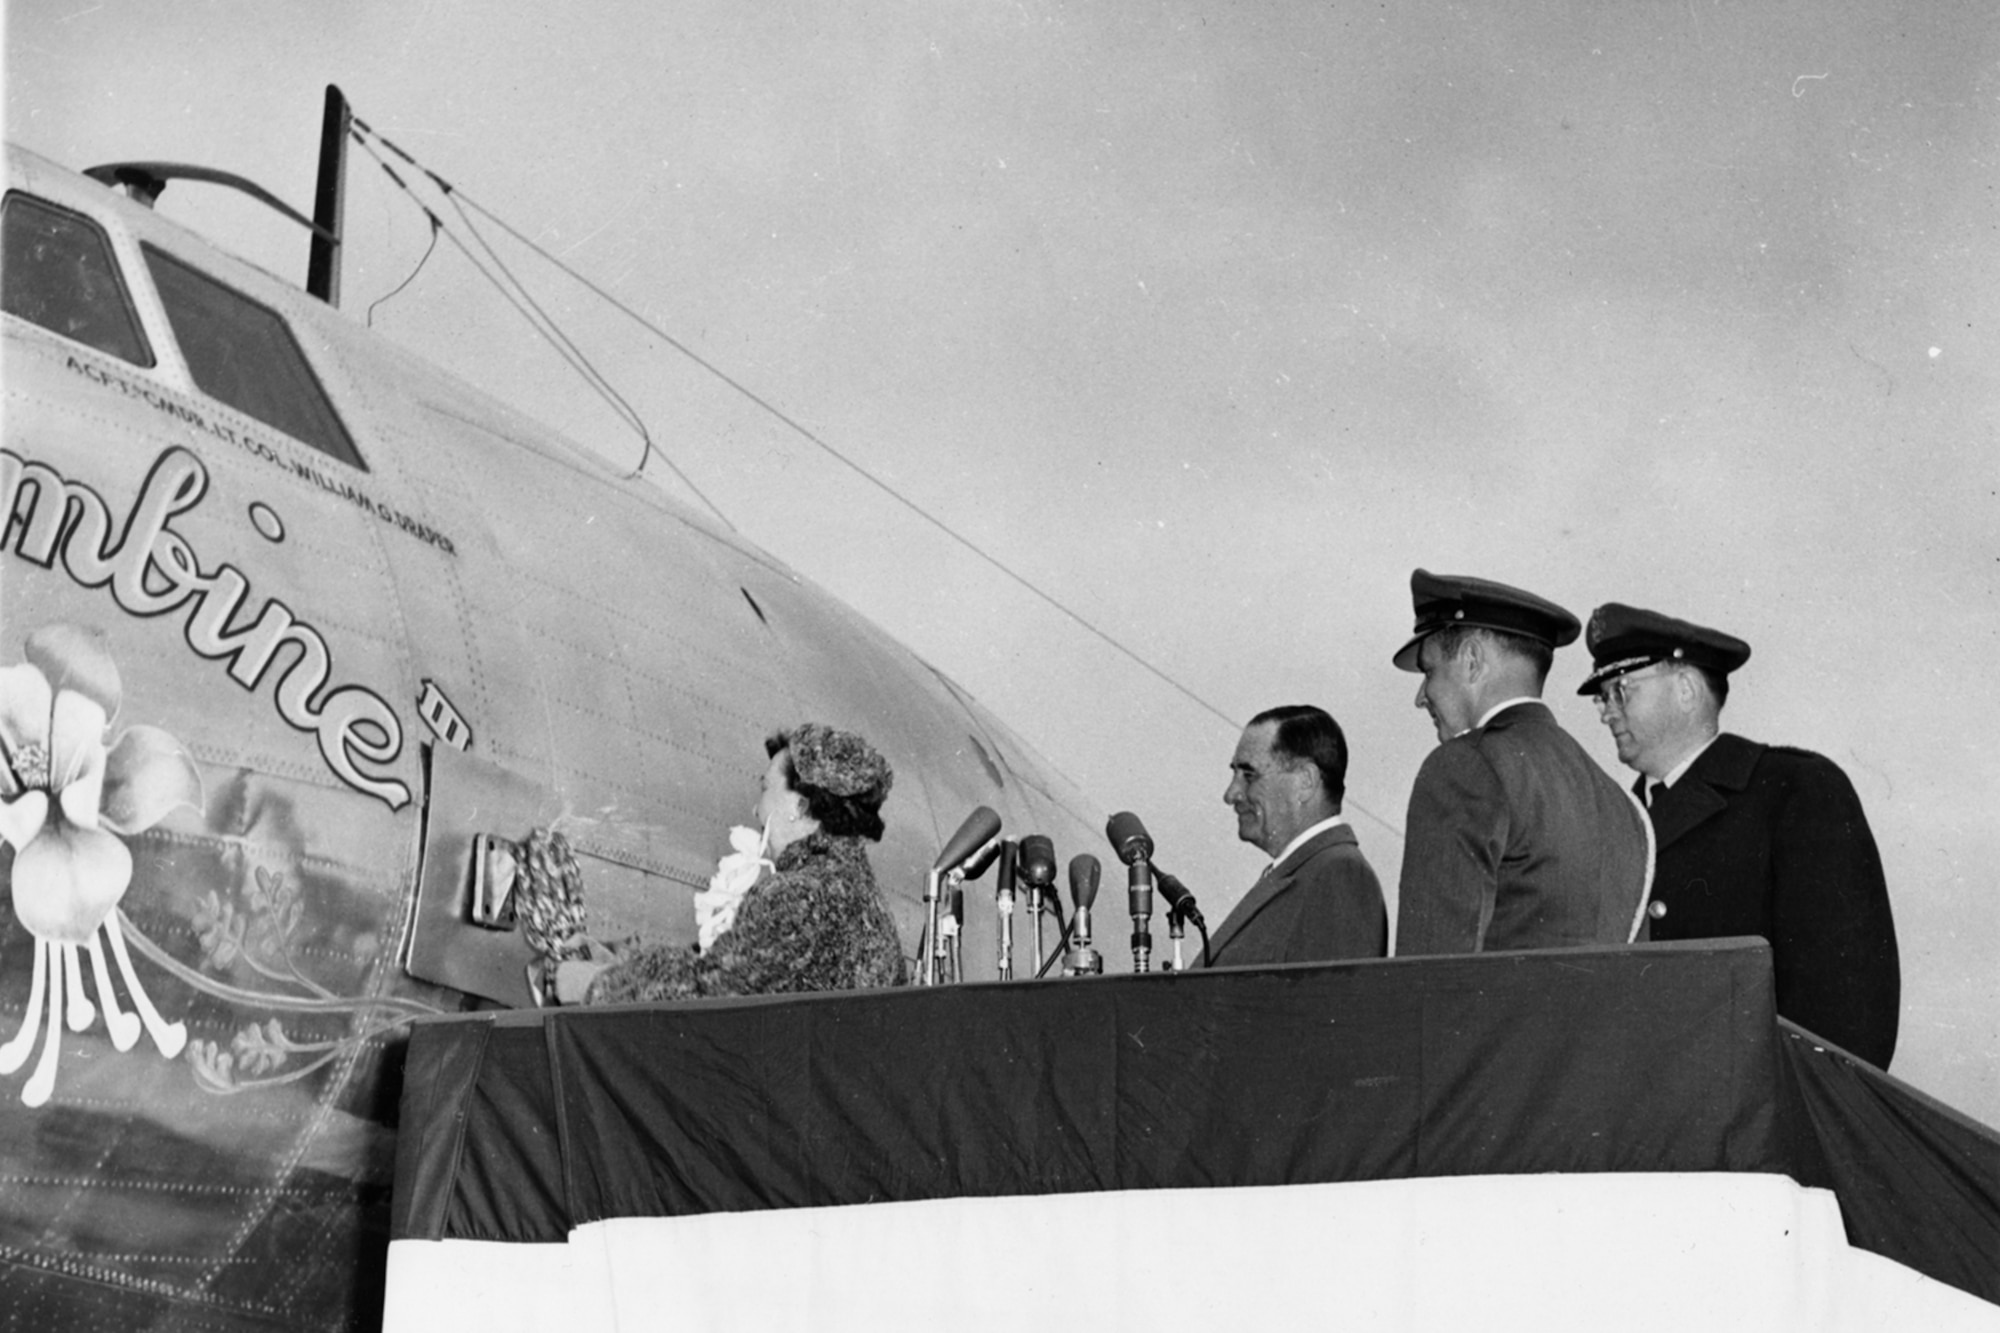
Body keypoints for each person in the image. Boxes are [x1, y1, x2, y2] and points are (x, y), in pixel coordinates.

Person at [1578, 602, 1900, 1067]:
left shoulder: (1793, 790)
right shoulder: (1614, 820)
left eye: (1621, 691)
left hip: (1754, 1113)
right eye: (1602, 697)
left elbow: (1849, 1005)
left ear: (1686, 689)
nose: (1606, 712)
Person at [1393, 569, 1651, 955]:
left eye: (1429, 670)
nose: (1421, 696)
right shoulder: (1624, 807)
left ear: (1472, 660)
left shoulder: (1464, 768)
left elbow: (1429, 976)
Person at [583, 723, 907, 1003]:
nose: (755, 810)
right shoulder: (858, 896)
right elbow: (729, 972)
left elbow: (713, 995)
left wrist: (598, 985)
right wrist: (621, 963)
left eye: (765, 788)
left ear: (800, 806)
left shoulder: (802, 896)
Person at [1205, 705, 1388, 966]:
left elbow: (1333, 1003)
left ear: (1306, 781)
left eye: (1249, 775)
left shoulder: (1339, 875)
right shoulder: (1304, 872)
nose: (1231, 794)